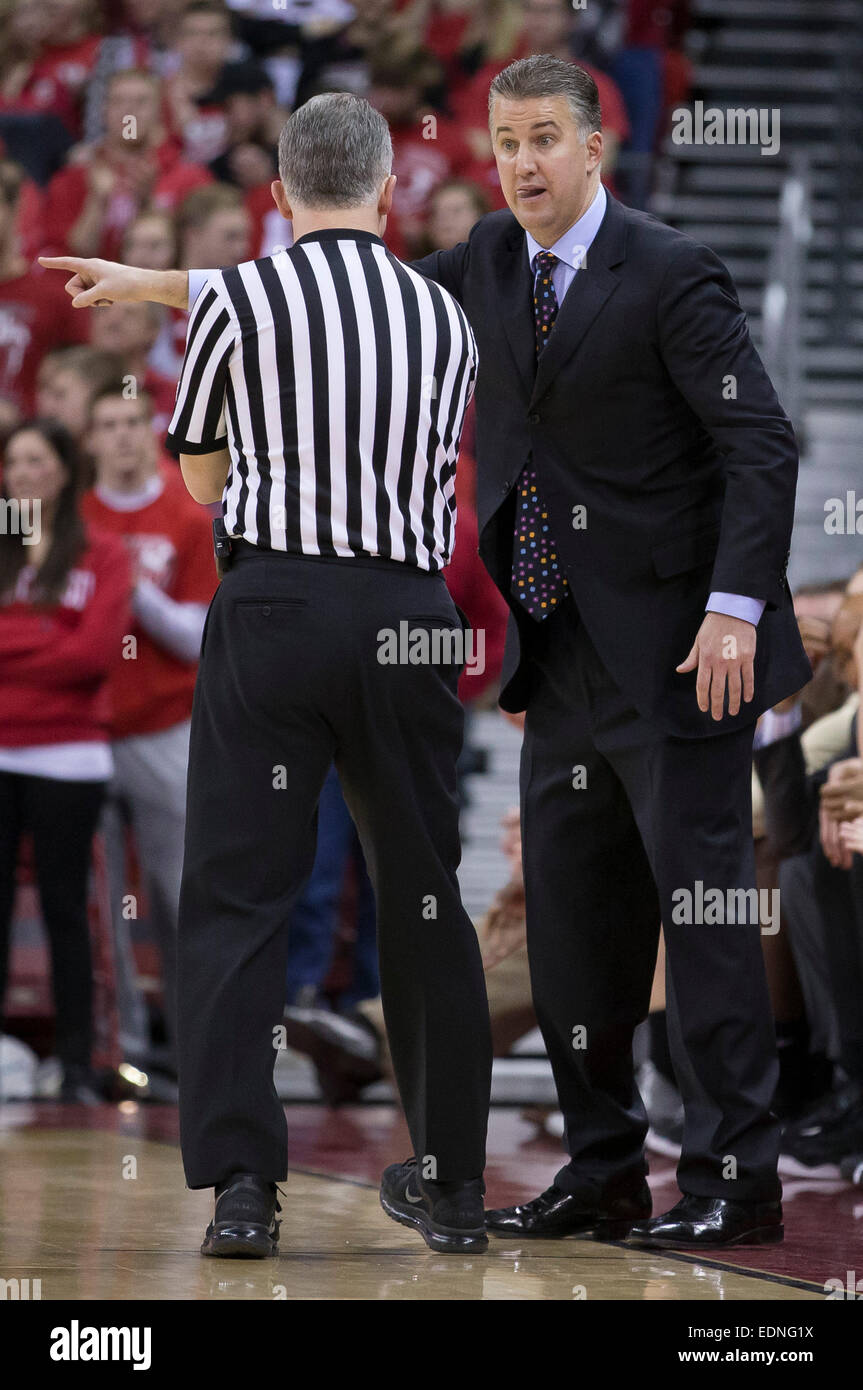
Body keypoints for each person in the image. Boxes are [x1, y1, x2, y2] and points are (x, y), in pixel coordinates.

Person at [42, 55, 811, 1251]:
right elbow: (344, 286)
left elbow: (760, 443)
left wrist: (735, 606)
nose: (518, 163)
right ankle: (548, 1175)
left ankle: (723, 1172)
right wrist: (165, 276)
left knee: (690, 921)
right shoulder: (468, 278)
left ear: (597, 147)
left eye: (543, 139)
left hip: (658, 645)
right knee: (523, 927)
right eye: (503, 142)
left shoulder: (666, 269)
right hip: (502, 645)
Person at [43, 90, 492, 1259]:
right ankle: (449, 1188)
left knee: (237, 897)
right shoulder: (445, 319)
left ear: (279, 196)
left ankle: (244, 1187)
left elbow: (197, 483)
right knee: (427, 894)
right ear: (391, 192)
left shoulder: (242, 294)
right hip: (408, 614)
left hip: (277, 603)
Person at [80, 384, 215, 1074]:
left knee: (180, 892)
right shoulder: (73, 510)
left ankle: (199, 1056)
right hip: (82, 728)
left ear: (151, 427)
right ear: (90, 438)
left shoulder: (186, 513)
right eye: (109, 424)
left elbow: (197, 637)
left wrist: (127, 587)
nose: (124, 435)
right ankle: (119, 1049)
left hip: (165, 723)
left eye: (134, 421)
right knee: (96, 903)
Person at [0, 418, 131, 1101]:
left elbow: (93, 654)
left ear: (63, 469)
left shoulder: (102, 553)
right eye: (14, 461)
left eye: (37, 459)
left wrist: (21, 644)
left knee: (64, 907)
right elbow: (68, 650)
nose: (24, 473)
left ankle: (79, 1063)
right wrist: (49, 638)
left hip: (70, 758)